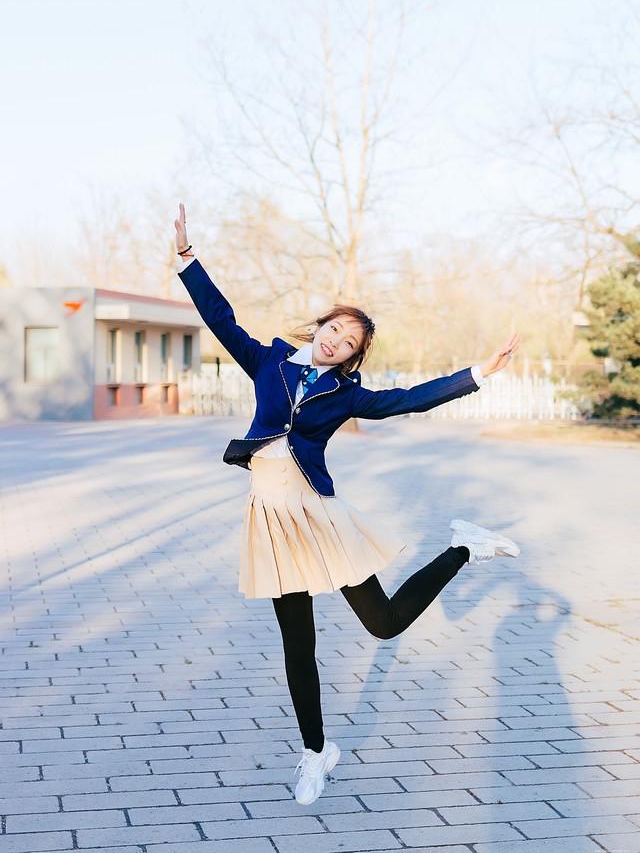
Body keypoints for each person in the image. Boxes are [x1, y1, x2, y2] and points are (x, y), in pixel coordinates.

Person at [173, 203, 521, 805]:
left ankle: (465, 546)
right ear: (319, 328)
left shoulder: (346, 395)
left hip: (317, 515)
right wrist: (187, 259)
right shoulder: (269, 361)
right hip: (270, 521)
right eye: (333, 329)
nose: (336, 342)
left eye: (349, 342)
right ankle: (315, 753)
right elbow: (220, 318)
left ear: (353, 355)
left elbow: (410, 398)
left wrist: (477, 374)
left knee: (382, 625)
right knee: (296, 645)